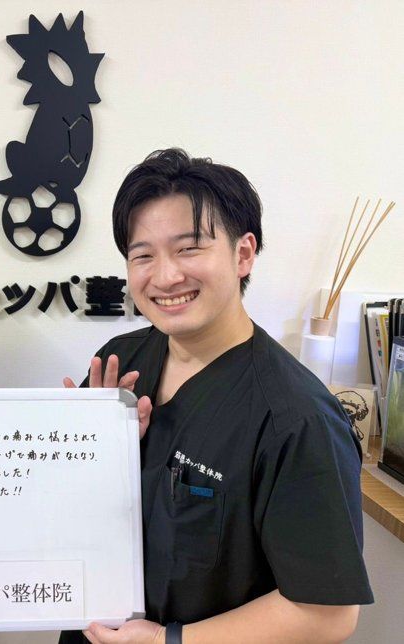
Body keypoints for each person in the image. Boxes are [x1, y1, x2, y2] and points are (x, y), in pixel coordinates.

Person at [60, 149, 372, 644]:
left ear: (243, 254)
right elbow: (71, 506)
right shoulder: (121, 362)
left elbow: (327, 614)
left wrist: (165, 641)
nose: (165, 277)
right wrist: (89, 456)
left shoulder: (297, 418)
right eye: (143, 255)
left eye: (188, 249)